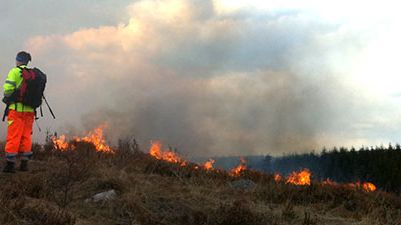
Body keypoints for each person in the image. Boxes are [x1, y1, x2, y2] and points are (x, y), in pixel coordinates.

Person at [2, 51, 35, 173]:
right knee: (26, 136)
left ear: (18, 60)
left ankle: (10, 165)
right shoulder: (33, 74)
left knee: (14, 135)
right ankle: (24, 164)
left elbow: (7, 90)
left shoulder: (15, 71)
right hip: (30, 111)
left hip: (16, 110)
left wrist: (8, 98)